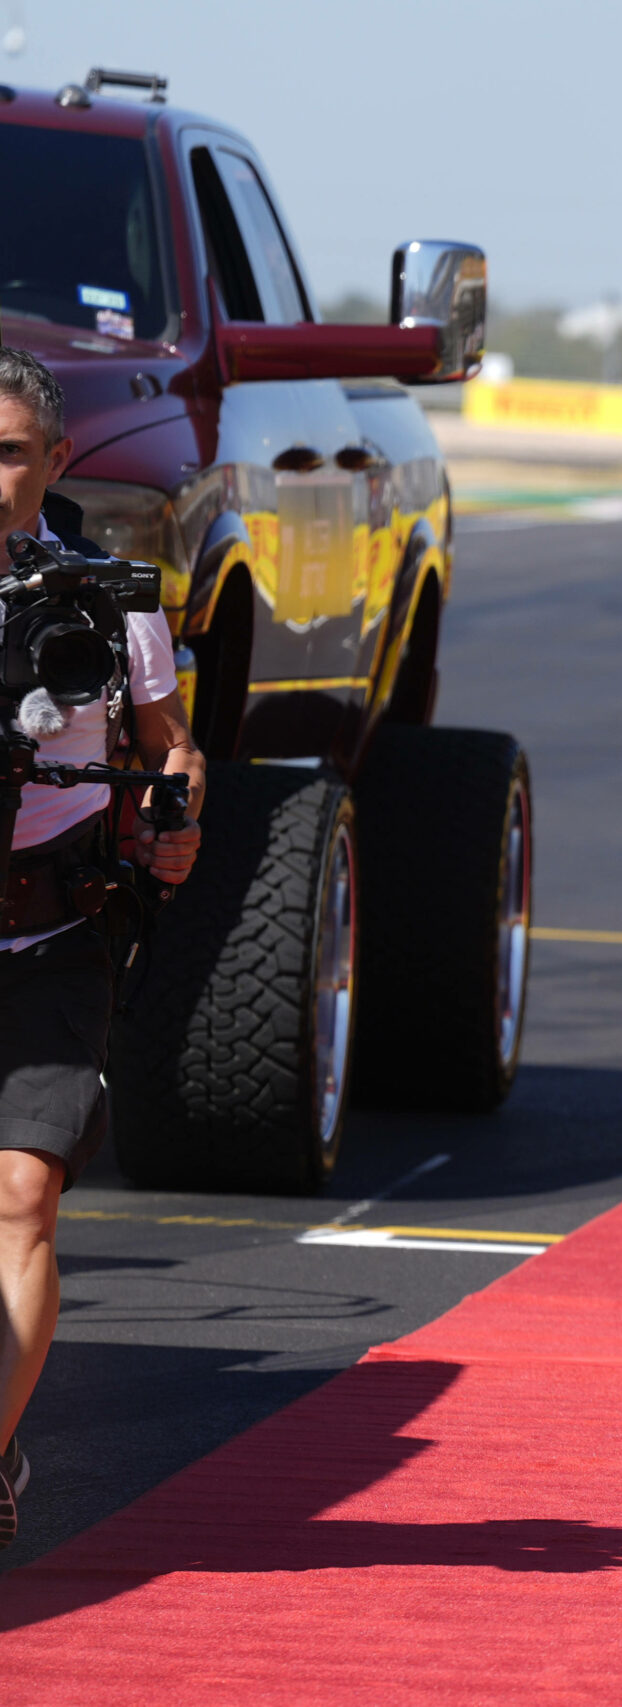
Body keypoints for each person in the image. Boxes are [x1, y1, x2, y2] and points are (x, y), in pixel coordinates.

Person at [0, 349, 203, 1551]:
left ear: (56, 463)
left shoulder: (108, 599)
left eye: (10, 451)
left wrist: (176, 823)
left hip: (54, 925)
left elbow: (172, 744)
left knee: (23, 1200)